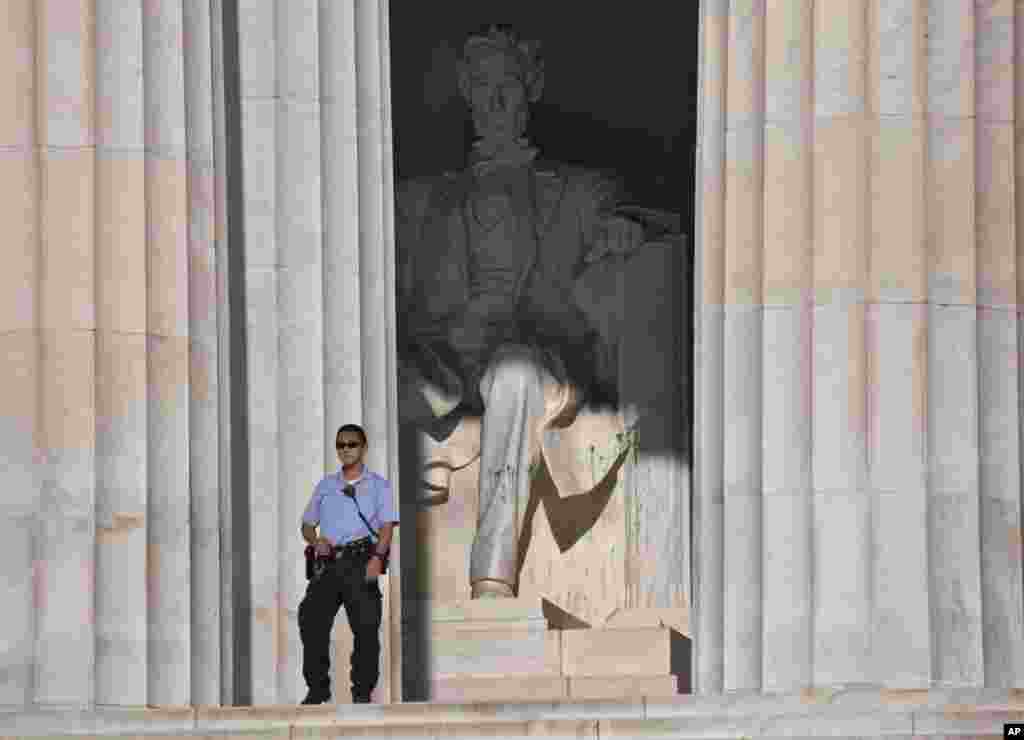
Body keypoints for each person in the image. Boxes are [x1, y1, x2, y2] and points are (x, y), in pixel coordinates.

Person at [396, 25, 645, 599]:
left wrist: (622, 230)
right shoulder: (423, 202)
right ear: (467, 94)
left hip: (538, 352)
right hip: (447, 357)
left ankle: (492, 574)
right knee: (371, 367)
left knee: (511, 375)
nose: (495, 100)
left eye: (506, 83)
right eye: (482, 87)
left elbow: (649, 218)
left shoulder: (581, 192)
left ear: (529, 88)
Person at [298, 424, 398, 705]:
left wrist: (377, 558)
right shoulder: (326, 485)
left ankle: (362, 692)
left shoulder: (379, 485)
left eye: (352, 444)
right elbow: (307, 523)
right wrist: (315, 540)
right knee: (311, 621)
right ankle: (317, 688)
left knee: (366, 627)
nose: (346, 450)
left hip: (361, 558)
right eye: (341, 445)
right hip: (328, 564)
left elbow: (387, 527)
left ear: (363, 448)